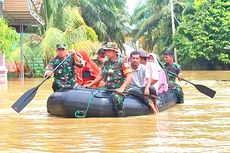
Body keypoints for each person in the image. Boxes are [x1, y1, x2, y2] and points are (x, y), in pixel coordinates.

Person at [85, 42, 133, 117]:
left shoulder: (122, 62)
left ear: (114, 52)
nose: (106, 53)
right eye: (106, 51)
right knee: (95, 92)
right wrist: (90, 84)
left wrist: (122, 88)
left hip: (119, 88)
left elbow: (129, 75)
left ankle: (121, 118)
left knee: (117, 99)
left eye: (108, 51)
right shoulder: (106, 63)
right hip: (108, 87)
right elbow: (101, 75)